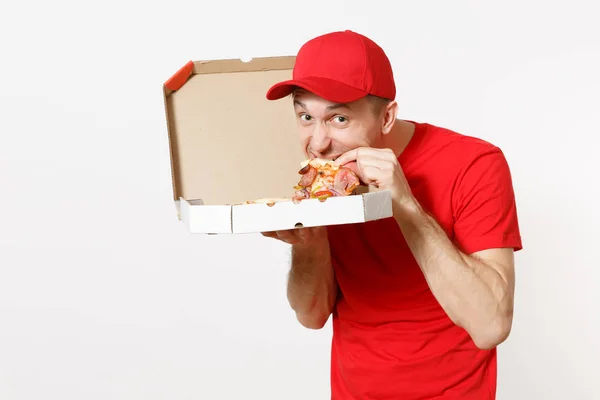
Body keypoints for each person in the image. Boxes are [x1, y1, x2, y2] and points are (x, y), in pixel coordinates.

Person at [261, 30, 523, 400]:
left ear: (386, 117)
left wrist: (405, 204)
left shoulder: (475, 164)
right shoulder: (325, 178)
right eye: (306, 116)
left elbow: (491, 325)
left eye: (339, 120)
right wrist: (309, 240)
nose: (318, 144)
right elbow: (312, 315)